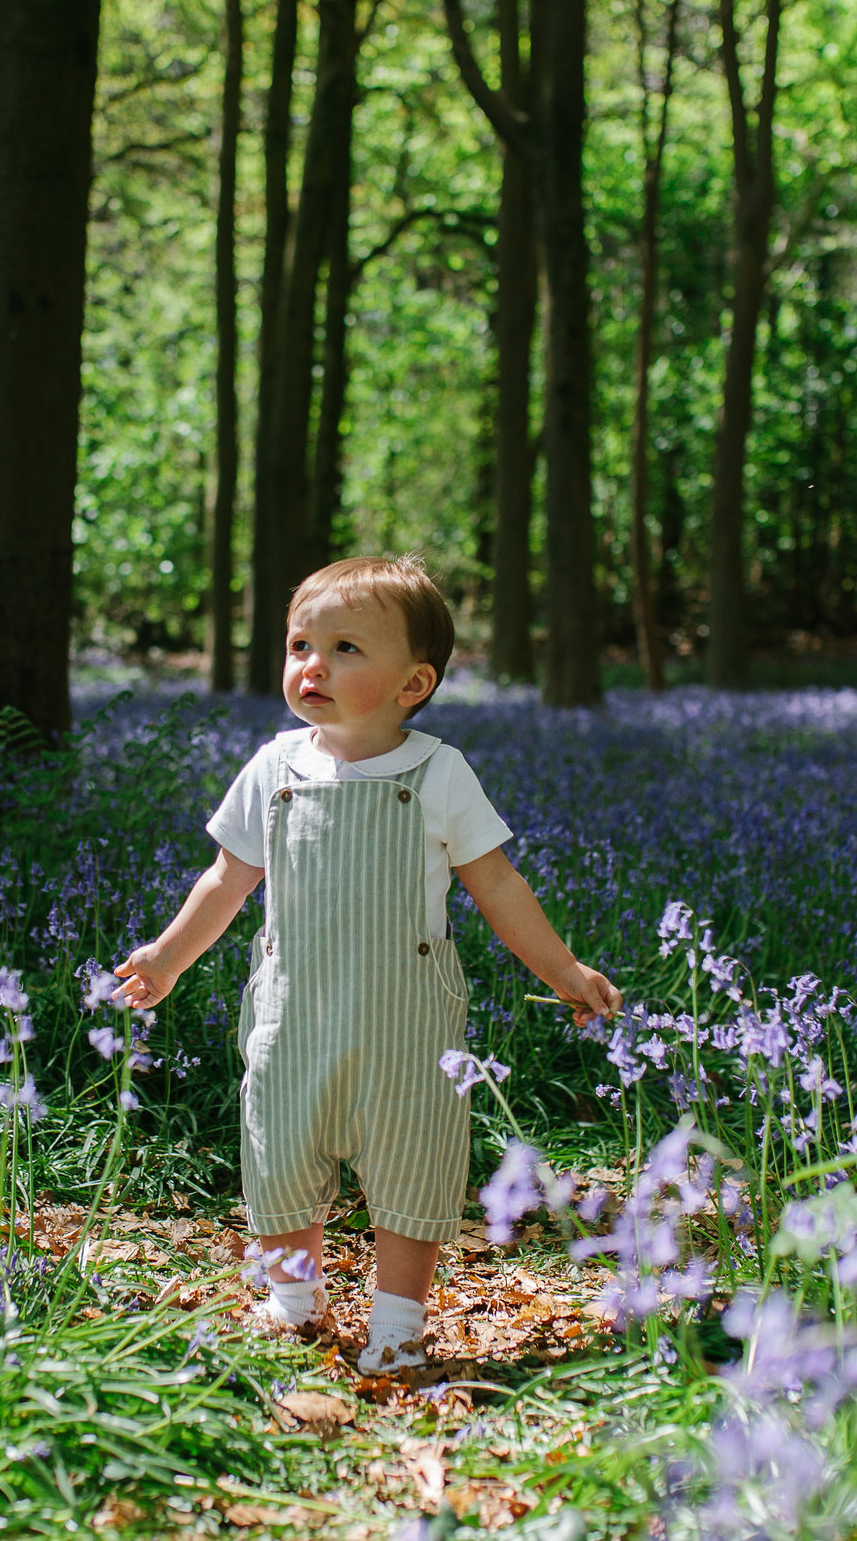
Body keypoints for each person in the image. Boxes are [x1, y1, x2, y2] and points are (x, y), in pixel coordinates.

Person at [114, 555, 620, 1374]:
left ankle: (397, 1318)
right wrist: (169, 958)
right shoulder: (273, 769)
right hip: (293, 1016)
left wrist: (562, 970)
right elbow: (226, 878)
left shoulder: (438, 773)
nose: (312, 664)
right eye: (300, 644)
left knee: (414, 1161)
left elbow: (498, 883)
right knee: (278, 1154)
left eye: (345, 648)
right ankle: (291, 1297)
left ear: (412, 683)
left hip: (405, 1023)